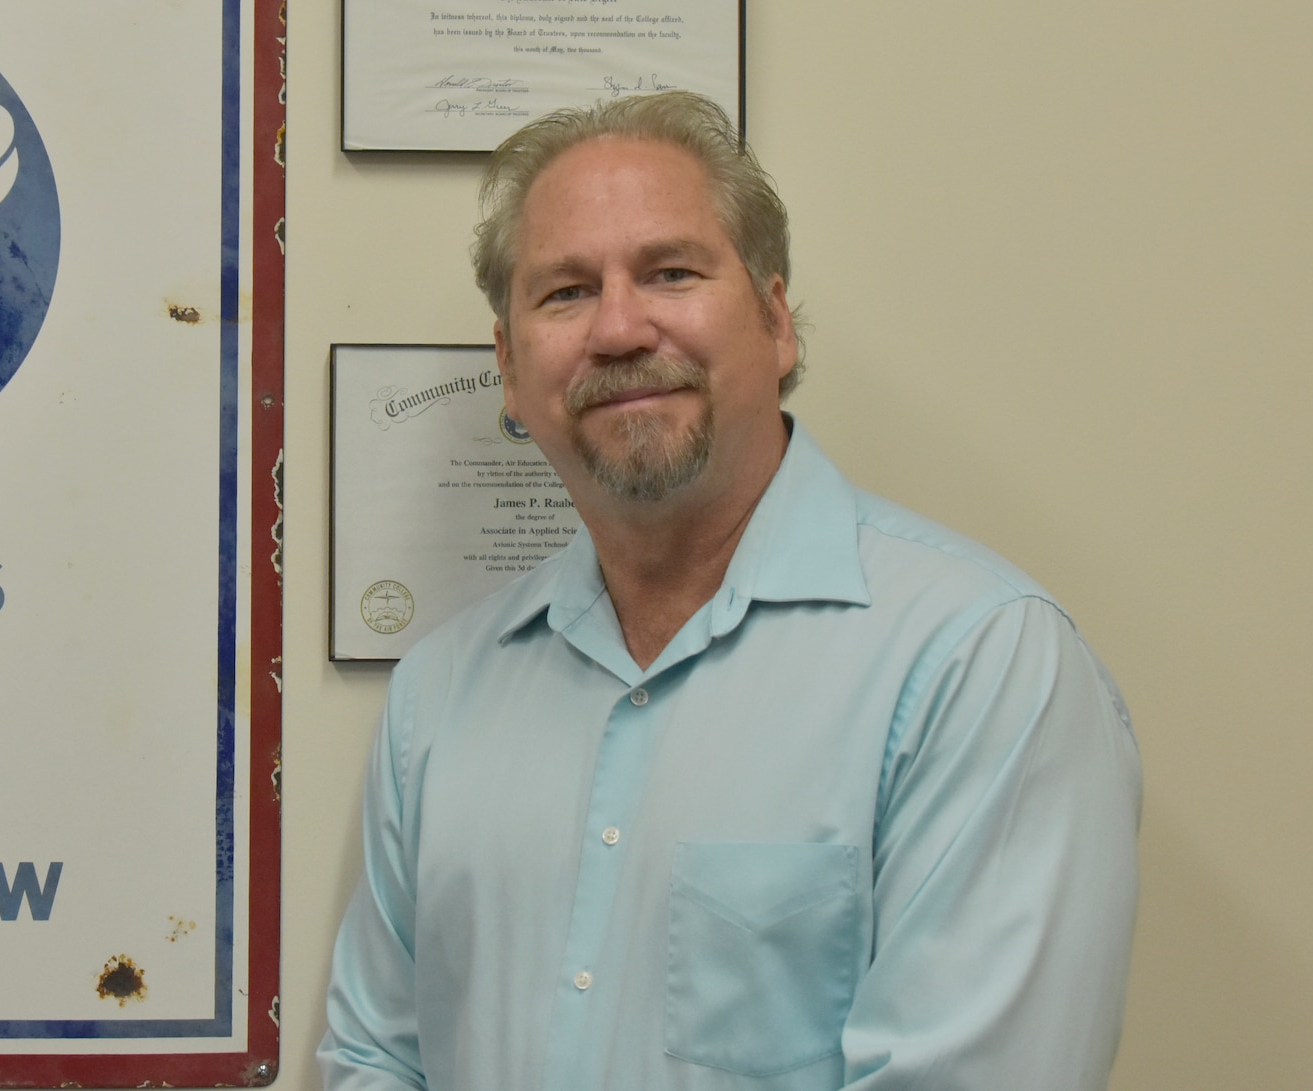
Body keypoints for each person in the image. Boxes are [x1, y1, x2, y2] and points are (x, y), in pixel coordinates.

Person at [318, 93, 1141, 1090]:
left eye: (669, 272)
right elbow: (371, 1059)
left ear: (774, 319)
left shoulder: (976, 666)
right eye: (565, 292)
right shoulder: (438, 698)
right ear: (507, 366)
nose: (618, 328)